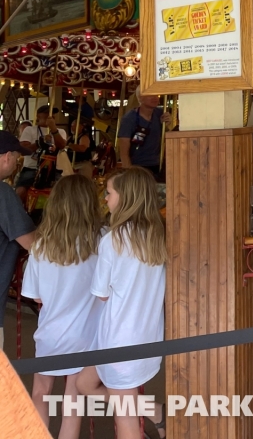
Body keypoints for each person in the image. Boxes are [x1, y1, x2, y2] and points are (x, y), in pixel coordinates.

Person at [77, 167, 167, 439]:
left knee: (124, 420)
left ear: (125, 198)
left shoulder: (112, 240)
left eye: (109, 193)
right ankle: (156, 412)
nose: (105, 198)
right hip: (147, 335)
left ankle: (157, 414)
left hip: (118, 338)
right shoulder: (157, 236)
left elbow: (101, 293)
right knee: (85, 383)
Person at [21, 174, 103, 439]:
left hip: (50, 333)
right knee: (73, 401)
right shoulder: (101, 241)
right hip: (86, 334)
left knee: (40, 393)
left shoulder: (41, 247)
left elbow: (36, 297)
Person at [0, 131, 35, 350]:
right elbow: (33, 244)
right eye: (16, 157)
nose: (16, 163)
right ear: (7, 157)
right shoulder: (3, 193)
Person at [116, 90, 171, 178]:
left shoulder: (159, 114)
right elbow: (123, 150)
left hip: (156, 165)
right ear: (140, 98)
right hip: (137, 166)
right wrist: (129, 173)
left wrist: (167, 125)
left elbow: (166, 139)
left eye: (156, 94)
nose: (155, 98)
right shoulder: (129, 119)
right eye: (150, 95)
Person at [17, 105, 67, 199]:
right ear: (39, 116)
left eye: (53, 113)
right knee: (21, 191)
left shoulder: (61, 131)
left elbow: (62, 146)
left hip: (53, 169)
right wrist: (39, 142)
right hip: (32, 168)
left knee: (64, 192)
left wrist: (54, 129)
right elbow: (23, 150)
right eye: (47, 113)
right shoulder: (30, 130)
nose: (51, 115)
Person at [65, 102, 96, 179]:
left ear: (81, 127)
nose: (72, 128)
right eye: (71, 126)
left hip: (82, 164)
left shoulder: (84, 137)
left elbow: (82, 148)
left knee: (84, 181)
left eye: (74, 126)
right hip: (72, 163)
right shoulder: (70, 138)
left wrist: (69, 146)